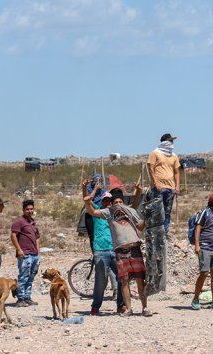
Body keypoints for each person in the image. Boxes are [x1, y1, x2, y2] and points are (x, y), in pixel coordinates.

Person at [84, 189, 151, 317]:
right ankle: (129, 309)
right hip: (120, 250)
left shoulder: (130, 210)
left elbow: (140, 226)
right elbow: (92, 211)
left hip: (134, 248)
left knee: (139, 279)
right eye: (116, 202)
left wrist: (148, 218)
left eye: (120, 201)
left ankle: (145, 307)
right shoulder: (109, 212)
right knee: (124, 281)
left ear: (123, 202)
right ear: (112, 204)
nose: (118, 204)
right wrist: (87, 202)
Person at [81, 179, 127, 315]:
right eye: (105, 201)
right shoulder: (97, 213)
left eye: (109, 201)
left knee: (122, 277)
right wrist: (89, 189)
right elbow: (86, 200)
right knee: (101, 280)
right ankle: (95, 307)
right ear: (101, 202)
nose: (107, 203)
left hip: (115, 250)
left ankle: (121, 305)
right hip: (100, 251)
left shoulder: (115, 214)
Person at [190, 194, 213, 310]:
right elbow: (198, 228)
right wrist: (197, 245)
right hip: (205, 247)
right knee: (204, 273)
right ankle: (195, 299)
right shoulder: (205, 212)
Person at [146, 133, 180, 235]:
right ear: (165, 142)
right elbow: (150, 168)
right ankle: (156, 233)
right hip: (158, 187)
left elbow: (177, 172)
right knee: (156, 211)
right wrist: (156, 183)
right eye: (170, 141)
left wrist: (177, 186)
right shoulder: (155, 153)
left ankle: (164, 233)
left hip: (170, 187)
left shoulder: (174, 156)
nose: (172, 143)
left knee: (167, 212)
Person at [11, 199, 41, 307]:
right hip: (25, 254)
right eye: (27, 209)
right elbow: (13, 235)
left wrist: (38, 251)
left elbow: (37, 237)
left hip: (34, 254)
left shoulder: (32, 222)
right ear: (23, 210)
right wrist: (19, 250)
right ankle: (20, 299)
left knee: (31, 276)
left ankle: (27, 298)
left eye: (31, 209)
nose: (30, 211)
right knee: (23, 276)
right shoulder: (19, 221)